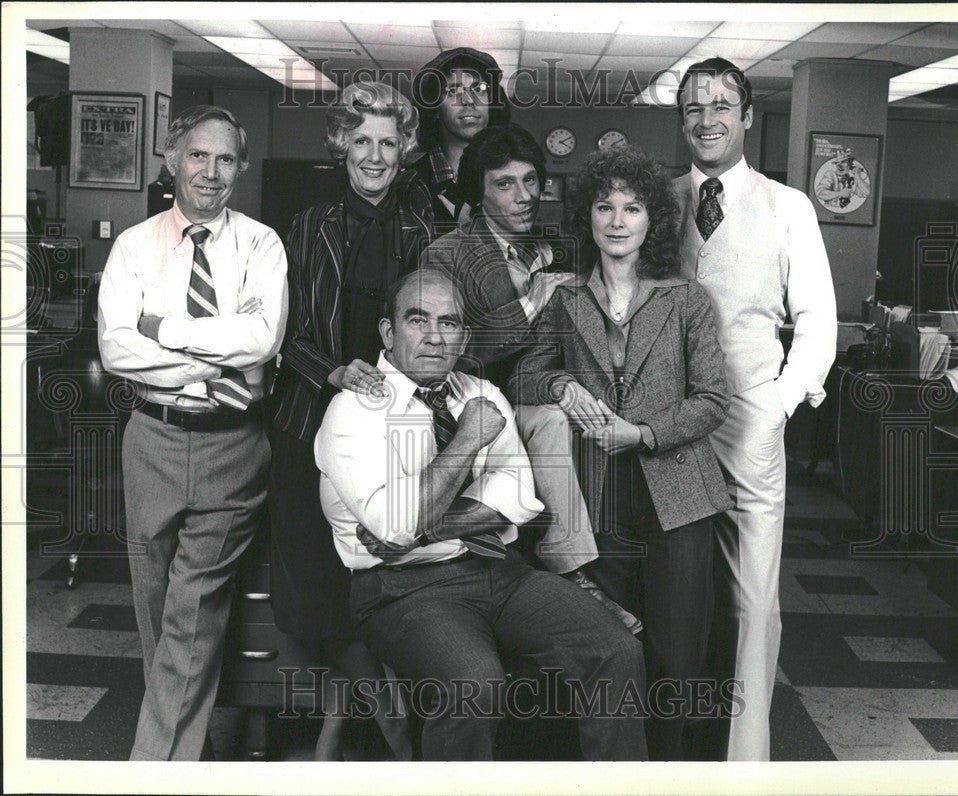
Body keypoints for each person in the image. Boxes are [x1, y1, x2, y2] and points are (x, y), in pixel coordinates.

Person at [314, 268, 648, 761]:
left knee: (618, 651)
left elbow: (519, 497)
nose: (433, 337)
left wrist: (417, 525)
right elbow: (395, 526)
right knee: (475, 683)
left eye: (448, 323)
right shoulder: (353, 410)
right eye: (417, 320)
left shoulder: (482, 393)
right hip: (405, 591)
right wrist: (469, 438)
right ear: (388, 332)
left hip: (501, 572)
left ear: (464, 337)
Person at [511, 146, 732, 759]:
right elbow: (521, 379)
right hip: (597, 497)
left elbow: (714, 400)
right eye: (604, 206)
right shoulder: (564, 299)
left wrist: (644, 435)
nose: (616, 220)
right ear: (587, 216)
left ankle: (665, 770)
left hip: (680, 497)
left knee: (677, 659)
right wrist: (561, 383)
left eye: (631, 208)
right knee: (609, 652)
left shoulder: (686, 299)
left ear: (650, 220)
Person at [97, 105, 288, 760]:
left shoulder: (261, 245)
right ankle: (185, 747)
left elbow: (261, 339)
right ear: (172, 160)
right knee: (156, 611)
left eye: (227, 158)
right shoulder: (134, 246)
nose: (211, 172)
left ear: (240, 167)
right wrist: (215, 356)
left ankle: (154, 768)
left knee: (192, 611)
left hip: (232, 445)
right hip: (149, 439)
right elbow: (119, 351)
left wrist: (166, 331)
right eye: (199, 156)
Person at [672, 57, 838, 761]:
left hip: (750, 421)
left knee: (754, 597)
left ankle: (747, 758)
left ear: (745, 115)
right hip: (671, 423)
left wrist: (777, 405)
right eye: (692, 107)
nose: (706, 118)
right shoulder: (661, 198)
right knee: (676, 584)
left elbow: (819, 321)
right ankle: (673, 744)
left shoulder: (788, 206)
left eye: (720, 104)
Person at [421, 124, 641, 632]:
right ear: (478, 191)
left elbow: (553, 352)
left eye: (530, 181)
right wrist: (532, 301)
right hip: (459, 413)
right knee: (550, 422)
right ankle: (578, 577)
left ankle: (581, 574)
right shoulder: (445, 254)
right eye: (505, 184)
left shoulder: (552, 250)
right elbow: (444, 353)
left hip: (524, 399)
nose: (524, 197)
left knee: (568, 418)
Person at [269, 80, 432, 760]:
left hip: (394, 430)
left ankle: (343, 725)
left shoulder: (427, 230)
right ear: (341, 146)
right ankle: (388, 720)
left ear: (404, 151)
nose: (374, 155)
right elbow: (284, 333)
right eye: (361, 140)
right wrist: (333, 372)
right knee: (315, 590)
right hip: (309, 421)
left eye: (387, 143)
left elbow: (434, 331)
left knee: (381, 575)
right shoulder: (305, 227)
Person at [411, 47, 512, 235]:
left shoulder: (510, 177)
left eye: (479, 89)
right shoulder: (407, 182)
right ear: (434, 108)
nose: (468, 100)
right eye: (453, 91)